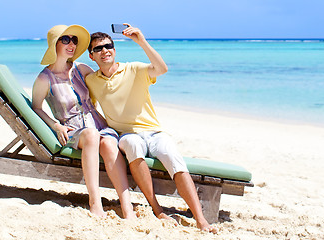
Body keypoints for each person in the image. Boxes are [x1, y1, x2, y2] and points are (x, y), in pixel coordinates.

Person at [85, 25, 218, 233]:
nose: (105, 51)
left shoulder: (134, 69)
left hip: (154, 132)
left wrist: (141, 41)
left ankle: (201, 220)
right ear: (91, 56)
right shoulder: (92, 81)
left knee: (173, 157)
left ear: (114, 49)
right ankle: (157, 209)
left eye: (108, 46)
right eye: (98, 49)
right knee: (132, 145)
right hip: (127, 135)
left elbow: (162, 69)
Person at [31, 25, 136, 220]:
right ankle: (95, 203)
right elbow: (36, 108)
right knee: (91, 134)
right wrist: (56, 125)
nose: (71, 44)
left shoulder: (82, 69)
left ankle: (127, 208)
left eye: (74, 40)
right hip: (73, 131)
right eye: (65, 40)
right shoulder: (44, 79)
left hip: (98, 124)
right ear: (55, 44)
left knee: (109, 145)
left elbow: (106, 82)